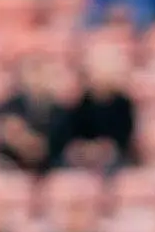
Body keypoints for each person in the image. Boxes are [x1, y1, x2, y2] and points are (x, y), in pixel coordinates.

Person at [0, 57, 75, 173]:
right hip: (13, 166)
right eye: (33, 73)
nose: (38, 80)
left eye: (43, 74)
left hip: (51, 168)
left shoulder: (62, 111)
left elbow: (59, 145)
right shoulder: (7, 108)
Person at [59, 43, 138, 173]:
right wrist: (85, 149)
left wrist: (103, 149)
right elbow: (69, 135)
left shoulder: (123, 103)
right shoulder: (79, 102)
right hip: (81, 156)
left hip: (113, 158)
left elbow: (124, 138)